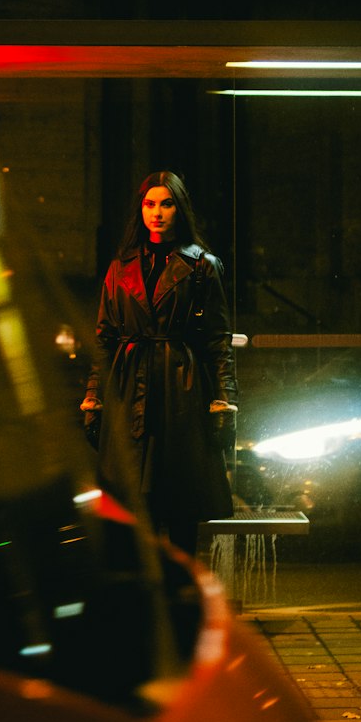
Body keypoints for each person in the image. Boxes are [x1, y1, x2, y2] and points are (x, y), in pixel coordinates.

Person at [80, 169, 238, 556]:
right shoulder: (121, 266)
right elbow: (104, 338)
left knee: (180, 500)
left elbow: (218, 339)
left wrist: (223, 398)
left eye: (166, 203)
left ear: (179, 208)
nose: (158, 212)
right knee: (132, 497)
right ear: (141, 208)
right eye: (150, 203)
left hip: (179, 387)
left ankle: (180, 593)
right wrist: (93, 396)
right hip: (129, 381)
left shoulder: (202, 266)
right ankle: (145, 595)